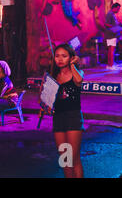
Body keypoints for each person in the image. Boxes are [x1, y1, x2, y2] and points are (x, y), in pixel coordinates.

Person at [51, 43, 84, 178]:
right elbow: (46, 99)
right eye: (57, 56)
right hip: (58, 118)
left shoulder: (76, 73)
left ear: (71, 58)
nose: (59, 59)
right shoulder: (53, 76)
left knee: (74, 158)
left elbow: (79, 80)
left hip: (73, 118)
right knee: (65, 159)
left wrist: (72, 65)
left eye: (64, 56)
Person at [0, 61, 18, 130]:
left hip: (10, 101)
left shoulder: (5, 81)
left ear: (0, 69)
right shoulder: (0, 79)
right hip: (4, 99)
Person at [104, 3, 122, 70]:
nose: (118, 10)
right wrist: (115, 27)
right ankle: (111, 65)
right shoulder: (110, 14)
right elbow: (106, 24)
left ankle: (110, 64)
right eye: (118, 8)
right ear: (114, 7)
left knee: (111, 50)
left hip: (112, 34)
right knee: (111, 50)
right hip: (111, 34)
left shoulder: (112, 14)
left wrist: (119, 25)